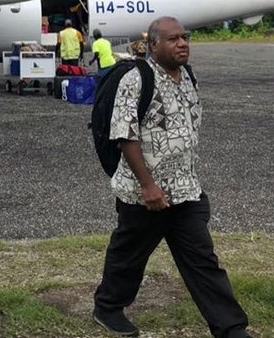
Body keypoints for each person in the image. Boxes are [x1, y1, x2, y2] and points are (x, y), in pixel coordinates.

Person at [92, 17, 252, 338]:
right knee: (129, 256)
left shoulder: (189, 76)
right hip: (144, 195)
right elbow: (125, 135)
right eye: (172, 39)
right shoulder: (137, 79)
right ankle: (108, 307)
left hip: (185, 191)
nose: (182, 43)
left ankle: (232, 329)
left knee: (203, 261)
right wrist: (149, 186)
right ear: (153, 45)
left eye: (185, 37)